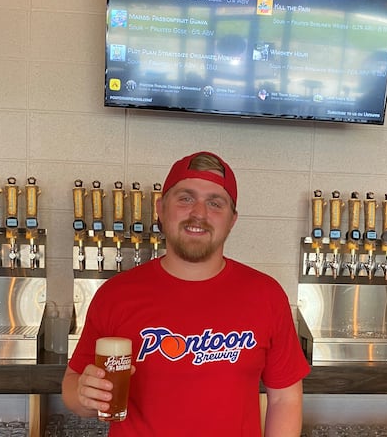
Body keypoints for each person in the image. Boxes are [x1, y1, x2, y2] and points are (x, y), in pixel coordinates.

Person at [62, 151, 310, 436]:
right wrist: (83, 395)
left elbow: (284, 398)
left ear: (232, 220)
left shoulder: (266, 295)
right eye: (186, 198)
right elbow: (72, 383)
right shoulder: (115, 294)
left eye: (215, 203)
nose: (199, 213)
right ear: (161, 208)